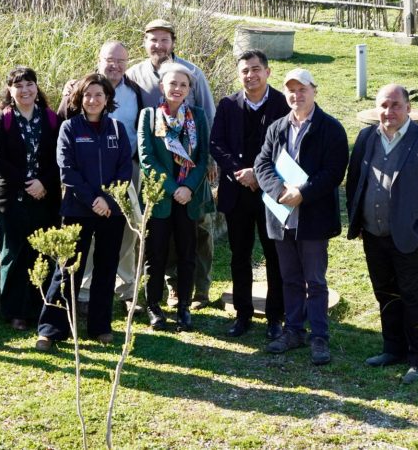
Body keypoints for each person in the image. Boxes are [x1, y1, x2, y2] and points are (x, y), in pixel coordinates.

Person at [346, 84, 418, 384]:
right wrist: (359, 220)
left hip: (410, 238)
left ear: (408, 108)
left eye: (395, 105)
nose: (388, 111)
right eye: (383, 105)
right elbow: (354, 180)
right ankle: (392, 348)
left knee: (413, 296)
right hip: (373, 234)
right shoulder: (367, 137)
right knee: (385, 293)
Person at [254, 69, 348, 366]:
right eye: (291, 90)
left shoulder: (331, 128)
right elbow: (262, 162)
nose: (296, 95)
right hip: (282, 215)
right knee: (290, 278)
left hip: (312, 217)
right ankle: (293, 330)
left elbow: (334, 171)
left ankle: (319, 336)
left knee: (315, 280)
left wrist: (303, 193)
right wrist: (280, 190)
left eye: (302, 89)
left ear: (314, 91)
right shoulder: (277, 127)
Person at [36, 74, 133, 349]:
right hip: (78, 210)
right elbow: (68, 171)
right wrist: (94, 200)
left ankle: (100, 327)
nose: (93, 100)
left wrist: (109, 201)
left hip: (111, 212)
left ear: (107, 99)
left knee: (106, 268)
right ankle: (51, 329)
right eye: (88, 95)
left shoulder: (117, 128)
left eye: (99, 95)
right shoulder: (69, 128)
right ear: (80, 98)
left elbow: (124, 169)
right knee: (66, 269)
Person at [127, 19, 216, 310]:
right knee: (158, 237)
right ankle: (160, 293)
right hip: (158, 171)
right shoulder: (135, 74)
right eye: (153, 40)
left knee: (197, 233)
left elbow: (207, 120)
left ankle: (197, 291)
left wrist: (207, 165)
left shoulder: (193, 73)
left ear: (173, 42)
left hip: (191, 175)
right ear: (145, 42)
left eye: (164, 40)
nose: (159, 45)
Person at [60, 41, 145, 314]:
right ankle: (82, 292)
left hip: (124, 172)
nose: (115, 65)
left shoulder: (135, 92)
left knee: (125, 237)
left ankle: (125, 289)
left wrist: (110, 195)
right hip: (83, 183)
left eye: (121, 61)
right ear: (99, 59)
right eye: (110, 59)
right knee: (85, 243)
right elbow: (63, 125)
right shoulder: (81, 88)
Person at [210, 49, 289, 340]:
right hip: (237, 191)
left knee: (274, 255)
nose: (250, 75)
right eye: (245, 70)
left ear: (267, 72)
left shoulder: (283, 103)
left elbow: (289, 148)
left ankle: (274, 317)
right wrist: (238, 172)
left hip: (272, 192)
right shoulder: (228, 104)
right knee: (239, 255)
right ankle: (242, 314)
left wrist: (260, 174)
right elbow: (216, 144)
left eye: (256, 69)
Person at [137, 62, 214, 331]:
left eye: (183, 84)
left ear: (189, 89)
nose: (178, 88)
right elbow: (147, 159)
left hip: (188, 199)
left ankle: (183, 307)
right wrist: (173, 189)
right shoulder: (148, 116)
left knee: (187, 254)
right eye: (172, 83)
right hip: (161, 199)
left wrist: (189, 188)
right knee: (155, 255)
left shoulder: (198, 116)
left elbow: (203, 158)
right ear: (162, 87)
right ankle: (154, 307)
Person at [0, 67, 62, 331]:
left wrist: (43, 182)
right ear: (10, 90)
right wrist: (26, 183)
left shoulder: (51, 119)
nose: (25, 90)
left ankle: (40, 307)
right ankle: (15, 312)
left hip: (45, 196)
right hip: (11, 198)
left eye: (29, 84)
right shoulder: (2, 119)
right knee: (15, 254)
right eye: (18, 86)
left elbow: (60, 158)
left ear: (37, 87)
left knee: (42, 252)